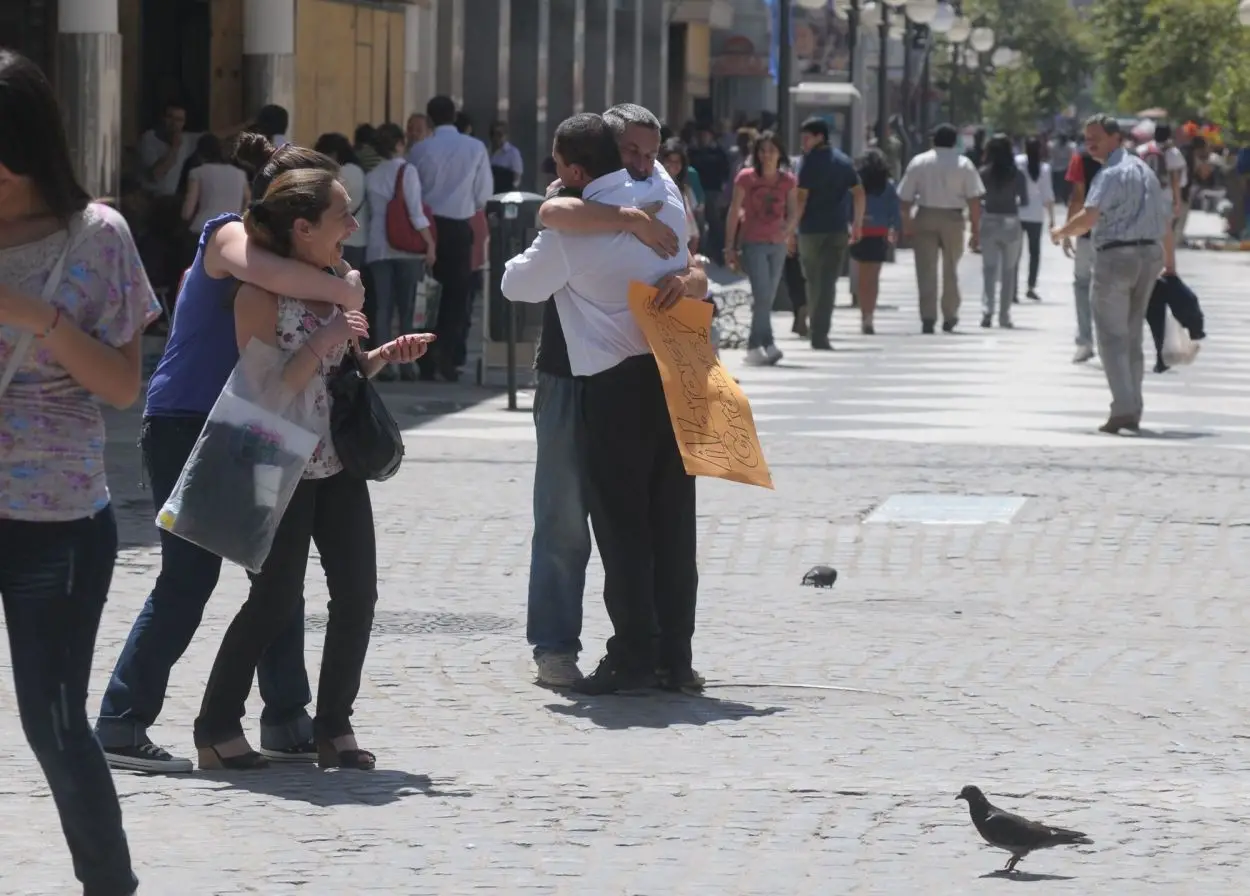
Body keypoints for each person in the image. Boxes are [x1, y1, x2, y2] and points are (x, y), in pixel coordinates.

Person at [95, 136, 366, 774]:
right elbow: (275, 278)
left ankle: (286, 715)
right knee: (189, 578)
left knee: (276, 581)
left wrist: (341, 285)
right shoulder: (227, 237)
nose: (346, 226)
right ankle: (120, 721)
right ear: (291, 209)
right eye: (334, 212)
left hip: (258, 421)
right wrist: (345, 288)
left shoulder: (300, 260)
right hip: (191, 418)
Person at [193, 168, 430, 770]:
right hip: (282, 464)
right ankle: (216, 726)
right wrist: (327, 337)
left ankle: (334, 728)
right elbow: (269, 395)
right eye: (341, 216)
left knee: (358, 595)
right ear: (302, 228)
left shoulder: (336, 283)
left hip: (338, 463)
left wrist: (379, 357)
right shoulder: (258, 294)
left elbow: (337, 379)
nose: (354, 226)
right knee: (274, 603)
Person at [0, 47, 156, 896]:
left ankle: (109, 884)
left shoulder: (96, 236)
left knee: (54, 721)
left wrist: (41, 319)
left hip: (53, 520)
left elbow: (123, 386)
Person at [501, 113, 697, 696]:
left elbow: (521, 277)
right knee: (663, 524)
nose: (642, 161)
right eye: (632, 151)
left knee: (610, 527)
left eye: (649, 152)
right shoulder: (649, 200)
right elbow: (554, 208)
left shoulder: (636, 200)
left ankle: (631, 653)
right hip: (655, 371)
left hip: (599, 382)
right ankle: (668, 656)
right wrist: (627, 219)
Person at [1051, 114, 1168, 434]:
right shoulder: (1145, 171)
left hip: (1117, 257)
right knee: (1132, 335)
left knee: (1111, 336)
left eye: (1097, 137)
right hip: (1148, 256)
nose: (1090, 142)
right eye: (1087, 137)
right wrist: (1167, 261)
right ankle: (1133, 404)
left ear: (1116, 138)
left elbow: (1089, 217)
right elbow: (1166, 216)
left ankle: (1123, 408)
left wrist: (1062, 231)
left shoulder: (1111, 173)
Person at [408, 96, 493, 381]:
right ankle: (450, 357)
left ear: (429, 120)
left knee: (426, 295)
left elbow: (412, 192)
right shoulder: (475, 147)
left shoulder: (419, 150)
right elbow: (483, 195)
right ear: (455, 115)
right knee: (457, 297)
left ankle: (425, 359)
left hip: (427, 228)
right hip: (458, 226)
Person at [898, 123, 985, 333]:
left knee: (925, 269)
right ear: (955, 141)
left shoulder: (919, 162)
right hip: (953, 218)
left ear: (933, 140)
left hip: (925, 215)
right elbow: (974, 200)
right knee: (951, 269)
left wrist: (908, 224)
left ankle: (928, 317)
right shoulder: (964, 164)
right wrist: (975, 230)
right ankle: (950, 313)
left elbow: (904, 198)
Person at [365, 122, 435, 379]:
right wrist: (430, 244)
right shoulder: (407, 171)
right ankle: (407, 362)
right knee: (407, 308)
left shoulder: (371, 175)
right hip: (405, 250)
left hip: (377, 248)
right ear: (398, 144)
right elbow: (416, 213)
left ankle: (384, 363)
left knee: (382, 308)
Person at [724, 130, 798, 366]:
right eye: (762, 150)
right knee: (763, 295)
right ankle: (763, 344)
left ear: (780, 153)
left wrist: (786, 232)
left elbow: (794, 211)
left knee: (767, 297)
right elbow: (734, 211)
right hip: (753, 243)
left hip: (777, 245)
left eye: (772, 150)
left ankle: (760, 345)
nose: (767, 155)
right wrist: (730, 247)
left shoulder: (788, 180)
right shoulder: (745, 178)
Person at [795, 117, 864, 349]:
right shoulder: (844, 162)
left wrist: (790, 228)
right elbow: (859, 192)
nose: (803, 142)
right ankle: (820, 331)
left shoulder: (809, 162)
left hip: (810, 230)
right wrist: (857, 223)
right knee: (828, 283)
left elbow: (801, 199)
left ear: (819, 137)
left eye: (807, 137)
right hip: (837, 229)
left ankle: (816, 327)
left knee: (813, 281)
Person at [314, 132, 372, 324]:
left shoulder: (340, 174)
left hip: (340, 239)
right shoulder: (360, 171)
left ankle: (345, 331)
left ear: (333, 153)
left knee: (340, 292)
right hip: (359, 239)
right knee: (354, 292)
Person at [977, 133, 1029, 329]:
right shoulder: (1017, 174)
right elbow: (1024, 201)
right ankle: (1004, 316)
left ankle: (987, 311)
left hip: (989, 220)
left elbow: (978, 198)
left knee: (989, 270)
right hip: (1010, 221)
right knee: (1009, 271)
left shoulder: (983, 173)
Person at [849, 148, 901, 335]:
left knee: (862, 278)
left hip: (860, 230)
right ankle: (870, 315)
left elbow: (849, 206)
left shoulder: (856, 185)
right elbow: (894, 211)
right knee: (873, 277)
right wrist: (894, 230)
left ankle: (864, 315)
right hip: (879, 232)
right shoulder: (888, 186)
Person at [1061, 144, 1102, 363]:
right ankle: (1111, 343)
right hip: (1117, 234)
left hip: (1087, 233)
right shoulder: (1125, 160)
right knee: (1110, 289)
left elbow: (1077, 197)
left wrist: (1068, 231)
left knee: (1082, 284)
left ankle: (1085, 341)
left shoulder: (1082, 159)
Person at [1016, 136, 1055, 302]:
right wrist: (1052, 218)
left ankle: (1012, 287)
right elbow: (1048, 195)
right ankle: (1031, 287)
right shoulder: (1044, 168)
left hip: (1017, 212)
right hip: (1036, 215)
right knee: (1034, 253)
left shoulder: (1017, 162)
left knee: (1015, 253)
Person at [490, 120, 524, 193]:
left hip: (505, 193)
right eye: (493, 134)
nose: (496, 138)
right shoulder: (487, 152)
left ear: (506, 135)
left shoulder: (513, 153)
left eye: (499, 134)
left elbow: (517, 177)